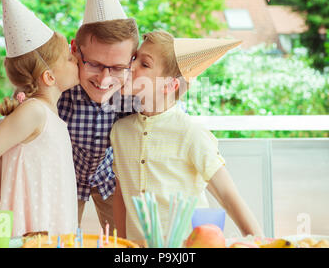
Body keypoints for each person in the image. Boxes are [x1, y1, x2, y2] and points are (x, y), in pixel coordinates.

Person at [112, 30, 264, 241]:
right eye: (134, 58)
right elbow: (121, 195)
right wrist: (121, 243)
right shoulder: (120, 131)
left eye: (144, 64)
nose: (131, 66)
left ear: (169, 85)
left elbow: (228, 197)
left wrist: (259, 241)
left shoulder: (191, 133)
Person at [0, 0, 79, 237]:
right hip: (31, 233)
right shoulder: (35, 112)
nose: (77, 61)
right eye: (69, 59)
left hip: (52, 229)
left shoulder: (49, 116)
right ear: (49, 76)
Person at [57, 0, 140, 232]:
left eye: (116, 67)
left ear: (132, 60)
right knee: (58, 237)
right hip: (63, 179)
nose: (104, 80)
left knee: (125, 240)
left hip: (109, 178)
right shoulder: (56, 88)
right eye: (92, 64)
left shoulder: (136, 92)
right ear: (74, 50)